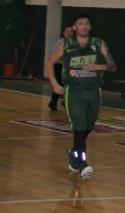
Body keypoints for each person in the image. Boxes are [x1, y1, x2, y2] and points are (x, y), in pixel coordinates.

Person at [43, 14, 117, 179]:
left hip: (93, 91)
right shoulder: (66, 45)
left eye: (87, 24)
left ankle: (74, 152)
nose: (84, 26)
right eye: (80, 23)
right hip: (74, 91)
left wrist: (97, 66)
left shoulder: (99, 43)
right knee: (79, 127)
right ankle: (83, 162)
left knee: (87, 127)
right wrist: (55, 84)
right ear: (74, 28)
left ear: (90, 28)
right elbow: (49, 63)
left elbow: (112, 66)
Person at [48, 25, 74, 111]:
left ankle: (65, 100)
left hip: (69, 67)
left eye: (71, 31)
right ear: (63, 33)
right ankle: (53, 102)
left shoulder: (74, 43)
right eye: (67, 31)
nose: (69, 33)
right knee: (60, 84)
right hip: (59, 67)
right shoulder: (61, 42)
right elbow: (54, 56)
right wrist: (63, 62)